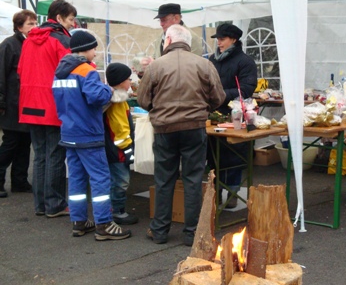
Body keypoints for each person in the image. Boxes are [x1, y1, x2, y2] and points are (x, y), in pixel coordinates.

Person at [137, 24, 225, 246]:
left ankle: (159, 231)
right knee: (193, 179)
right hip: (194, 128)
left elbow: (143, 100)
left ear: (167, 41)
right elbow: (218, 98)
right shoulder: (204, 64)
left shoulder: (155, 67)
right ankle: (192, 233)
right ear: (188, 42)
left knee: (164, 179)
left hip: (165, 129)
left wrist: (159, 110)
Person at [52, 30, 131, 241]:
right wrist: (108, 91)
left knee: (77, 180)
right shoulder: (87, 70)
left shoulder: (60, 71)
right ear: (85, 49)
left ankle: (79, 221)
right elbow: (97, 96)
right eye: (94, 48)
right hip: (88, 134)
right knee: (100, 180)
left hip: (69, 132)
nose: (95, 53)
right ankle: (104, 224)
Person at [18, 0, 76, 217]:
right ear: (60, 18)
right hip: (52, 104)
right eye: (71, 19)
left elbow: (21, 70)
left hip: (30, 104)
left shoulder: (29, 40)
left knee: (40, 155)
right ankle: (55, 204)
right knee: (54, 155)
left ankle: (41, 204)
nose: (73, 23)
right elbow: (71, 71)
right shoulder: (61, 40)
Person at [208, 23, 257, 208]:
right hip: (213, 116)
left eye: (222, 39)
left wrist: (220, 94)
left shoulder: (245, 62)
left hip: (234, 115)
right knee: (213, 154)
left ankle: (233, 191)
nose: (219, 43)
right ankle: (216, 190)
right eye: (218, 39)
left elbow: (246, 88)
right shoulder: (212, 60)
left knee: (234, 154)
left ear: (233, 40)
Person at [0, 10, 38, 198]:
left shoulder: (32, 44)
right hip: (12, 104)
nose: (33, 26)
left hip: (27, 103)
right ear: (19, 26)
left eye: (35, 22)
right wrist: (1, 101)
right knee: (10, 143)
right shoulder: (9, 45)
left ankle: (19, 181)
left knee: (25, 143)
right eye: (29, 23)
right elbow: (1, 74)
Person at [103, 62, 139, 225]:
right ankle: (117, 211)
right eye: (128, 79)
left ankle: (115, 209)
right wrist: (127, 147)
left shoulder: (120, 98)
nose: (130, 82)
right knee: (120, 180)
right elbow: (120, 127)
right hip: (117, 148)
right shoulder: (117, 101)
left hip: (115, 146)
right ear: (120, 82)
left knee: (117, 178)